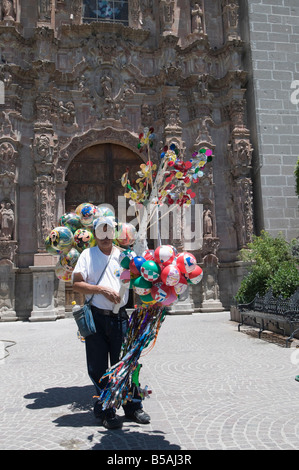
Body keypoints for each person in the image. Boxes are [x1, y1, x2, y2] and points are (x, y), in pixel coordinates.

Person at [72, 217, 150, 429]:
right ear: (96, 234)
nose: (105, 237)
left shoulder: (124, 255)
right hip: (96, 317)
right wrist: (101, 290)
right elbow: (76, 283)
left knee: (127, 363)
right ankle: (106, 411)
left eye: (109, 232)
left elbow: (140, 276)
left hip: (120, 318)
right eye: (101, 232)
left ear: (114, 234)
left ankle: (133, 407)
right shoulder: (87, 255)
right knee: (98, 367)